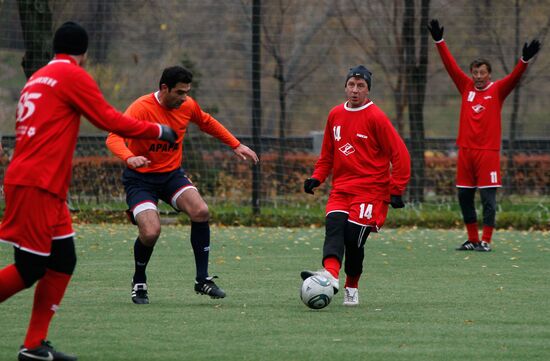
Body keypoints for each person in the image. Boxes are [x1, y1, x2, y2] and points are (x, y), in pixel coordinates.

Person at [0, 22, 176, 361]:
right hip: (37, 182)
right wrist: (158, 129)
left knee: (63, 260)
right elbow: (109, 118)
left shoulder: (38, 77)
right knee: (30, 267)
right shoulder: (72, 75)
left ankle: (34, 345)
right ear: (83, 53)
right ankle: (34, 344)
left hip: (39, 181)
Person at [105, 66, 258, 305]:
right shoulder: (141, 108)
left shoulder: (187, 105)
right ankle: (139, 280)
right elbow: (113, 137)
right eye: (179, 92)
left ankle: (202, 279)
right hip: (140, 180)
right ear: (164, 88)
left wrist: (235, 144)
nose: (184, 97)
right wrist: (128, 157)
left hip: (171, 176)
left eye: (187, 92)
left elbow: (206, 122)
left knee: (201, 211)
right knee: (151, 231)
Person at [301, 65, 411, 306]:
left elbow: (400, 154)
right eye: (351, 84)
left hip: (370, 191)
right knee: (333, 226)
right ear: (345, 87)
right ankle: (330, 275)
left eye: (361, 86)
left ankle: (351, 287)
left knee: (353, 239)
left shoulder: (376, 117)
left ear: (368, 90)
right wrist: (317, 178)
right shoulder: (335, 115)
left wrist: (396, 189)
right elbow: (327, 154)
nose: (355, 90)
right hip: (341, 188)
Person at [427, 19, 541, 252]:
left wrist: (524, 60)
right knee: (464, 197)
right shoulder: (466, 87)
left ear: (489, 74)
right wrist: (439, 41)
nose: (478, 76)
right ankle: (473, 239)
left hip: (487, 153)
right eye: (475, 72)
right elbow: (450, 67)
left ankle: (486, 241)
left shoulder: (497, 90)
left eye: (482, 72)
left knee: (488, 199)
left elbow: (514, 78)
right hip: (466, 151)